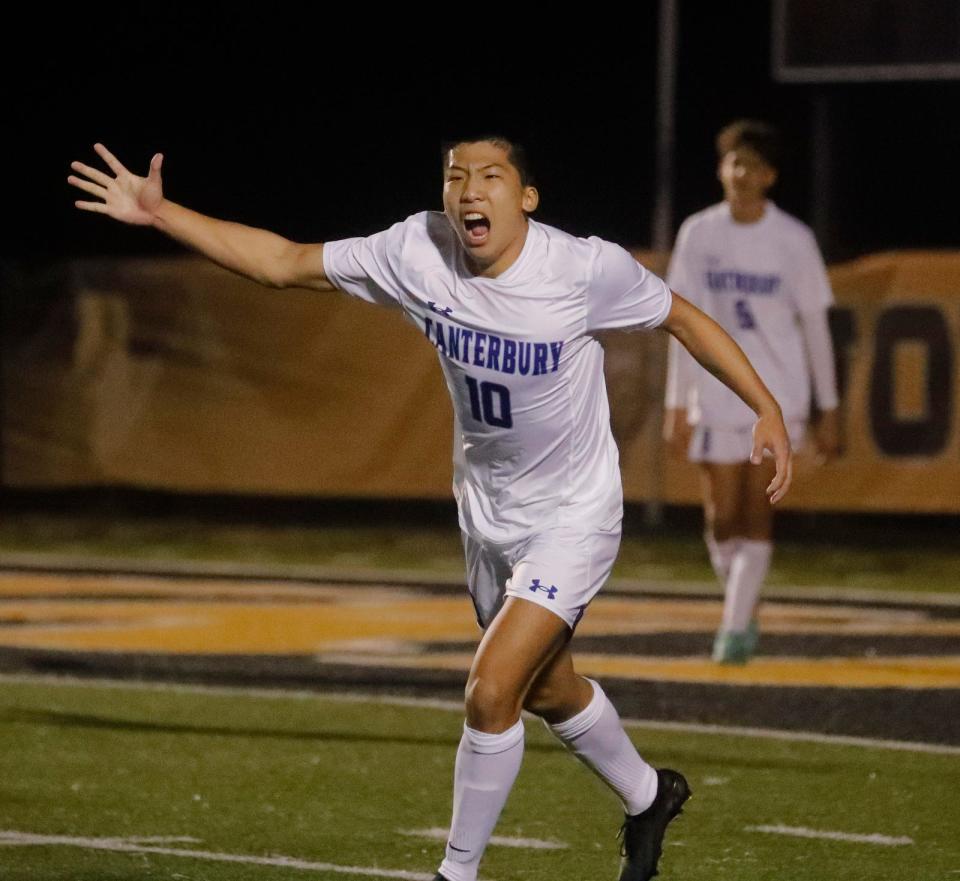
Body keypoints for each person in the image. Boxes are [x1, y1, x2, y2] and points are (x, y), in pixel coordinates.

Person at [69, 135, 792, 881]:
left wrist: (764, 406)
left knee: (489, 689)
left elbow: (684, 317)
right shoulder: (416, 249)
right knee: (545, 687)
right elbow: (282, 262)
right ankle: (649, 795)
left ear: (527, 197)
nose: (469, 190)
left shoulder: (581, 268)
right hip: (486, 514)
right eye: (456, 177)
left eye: (490, 176)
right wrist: (162, 215)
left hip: (575, 512)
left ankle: (456, 871)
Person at [663, 119, 839, 665]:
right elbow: (678, 319)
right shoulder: (698, 233)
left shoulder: (793, 240)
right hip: (715, 394)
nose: (740, 174)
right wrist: (676, 400)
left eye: (751, 166)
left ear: (769, 177)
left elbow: (814, 326)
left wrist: (827, 406)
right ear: (722, 169)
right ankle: (743, 605)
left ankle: (733, 632)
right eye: (732, 163)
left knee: (757, 515)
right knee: (720, 519)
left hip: (776, 396)